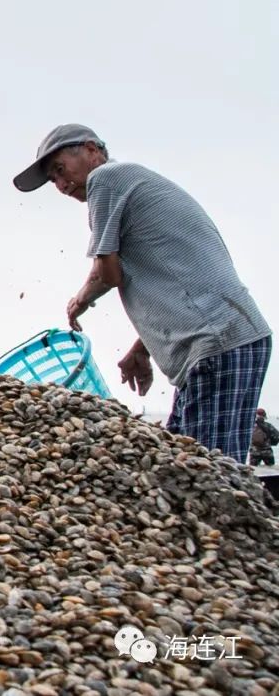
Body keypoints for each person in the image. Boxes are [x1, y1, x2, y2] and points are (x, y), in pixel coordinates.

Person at [14, 123, 271, 462]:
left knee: (212, 473)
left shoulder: (105, 178)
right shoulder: (132, 187)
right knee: (182, 465)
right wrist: (142, 348)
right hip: (220, 342)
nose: (61, 186)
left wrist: (79, 301)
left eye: (61, 170)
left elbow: (108, 273)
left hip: (218, 344)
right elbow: (173, 277)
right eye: (53, 181)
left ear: (92, 150)